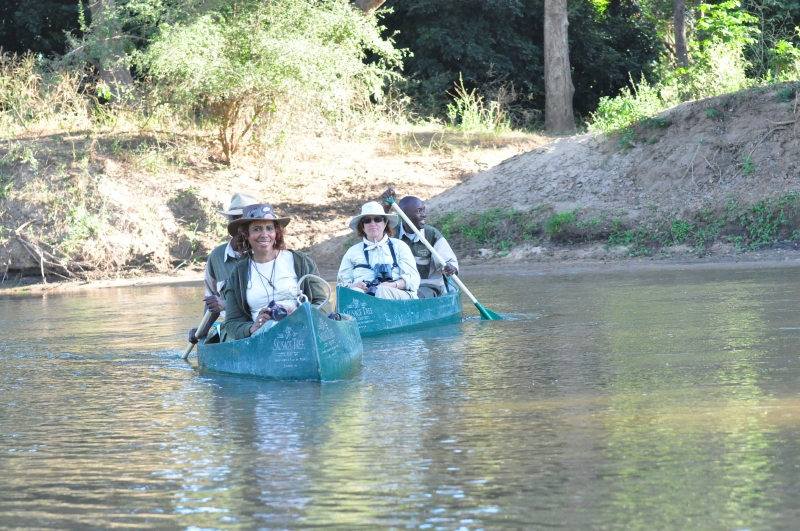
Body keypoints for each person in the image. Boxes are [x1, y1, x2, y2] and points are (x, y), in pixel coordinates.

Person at [223, 204, 331, 341]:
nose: (264, 235)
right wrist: (253, 327)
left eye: (269, 228)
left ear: (276, 233)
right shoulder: (238, 273)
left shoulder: (301, 262)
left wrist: (300, 312)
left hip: (303, 330)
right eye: (257, 229)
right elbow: (232, 322)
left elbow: (323, 304)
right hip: (261, 338)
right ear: (246, 234)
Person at [380, 188, 459, 298]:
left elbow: (449, 262)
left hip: (427, 286)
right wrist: (386, 207)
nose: (424, 215)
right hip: (400, 285)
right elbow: (377, 231)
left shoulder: (432, 235)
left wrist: (451, 268)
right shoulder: (392, 234)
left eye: (423, 210)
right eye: (418, 211)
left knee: (415, 297)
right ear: (404, 215)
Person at [338, 201, 420, 300]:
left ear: (385, 222)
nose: (373, 224)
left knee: (382, 291)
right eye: (367, 220)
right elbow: (341, 286)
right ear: (362, 225)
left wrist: (392, 285)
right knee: (355, 293)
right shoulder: (352, 252)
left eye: (378, 219)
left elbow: (414, 280)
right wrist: (355, 286)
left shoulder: (400, 246)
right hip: (364, 297)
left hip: (398, 296)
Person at [204, 192, 260, 313]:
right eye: (236, 220)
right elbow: (212, 301)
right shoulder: (217, 257)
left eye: (246, 223)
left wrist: (226, 304)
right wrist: (203, 326)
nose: (241, 228)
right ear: (230, 222)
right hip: (230, 323)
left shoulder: (267, 255)